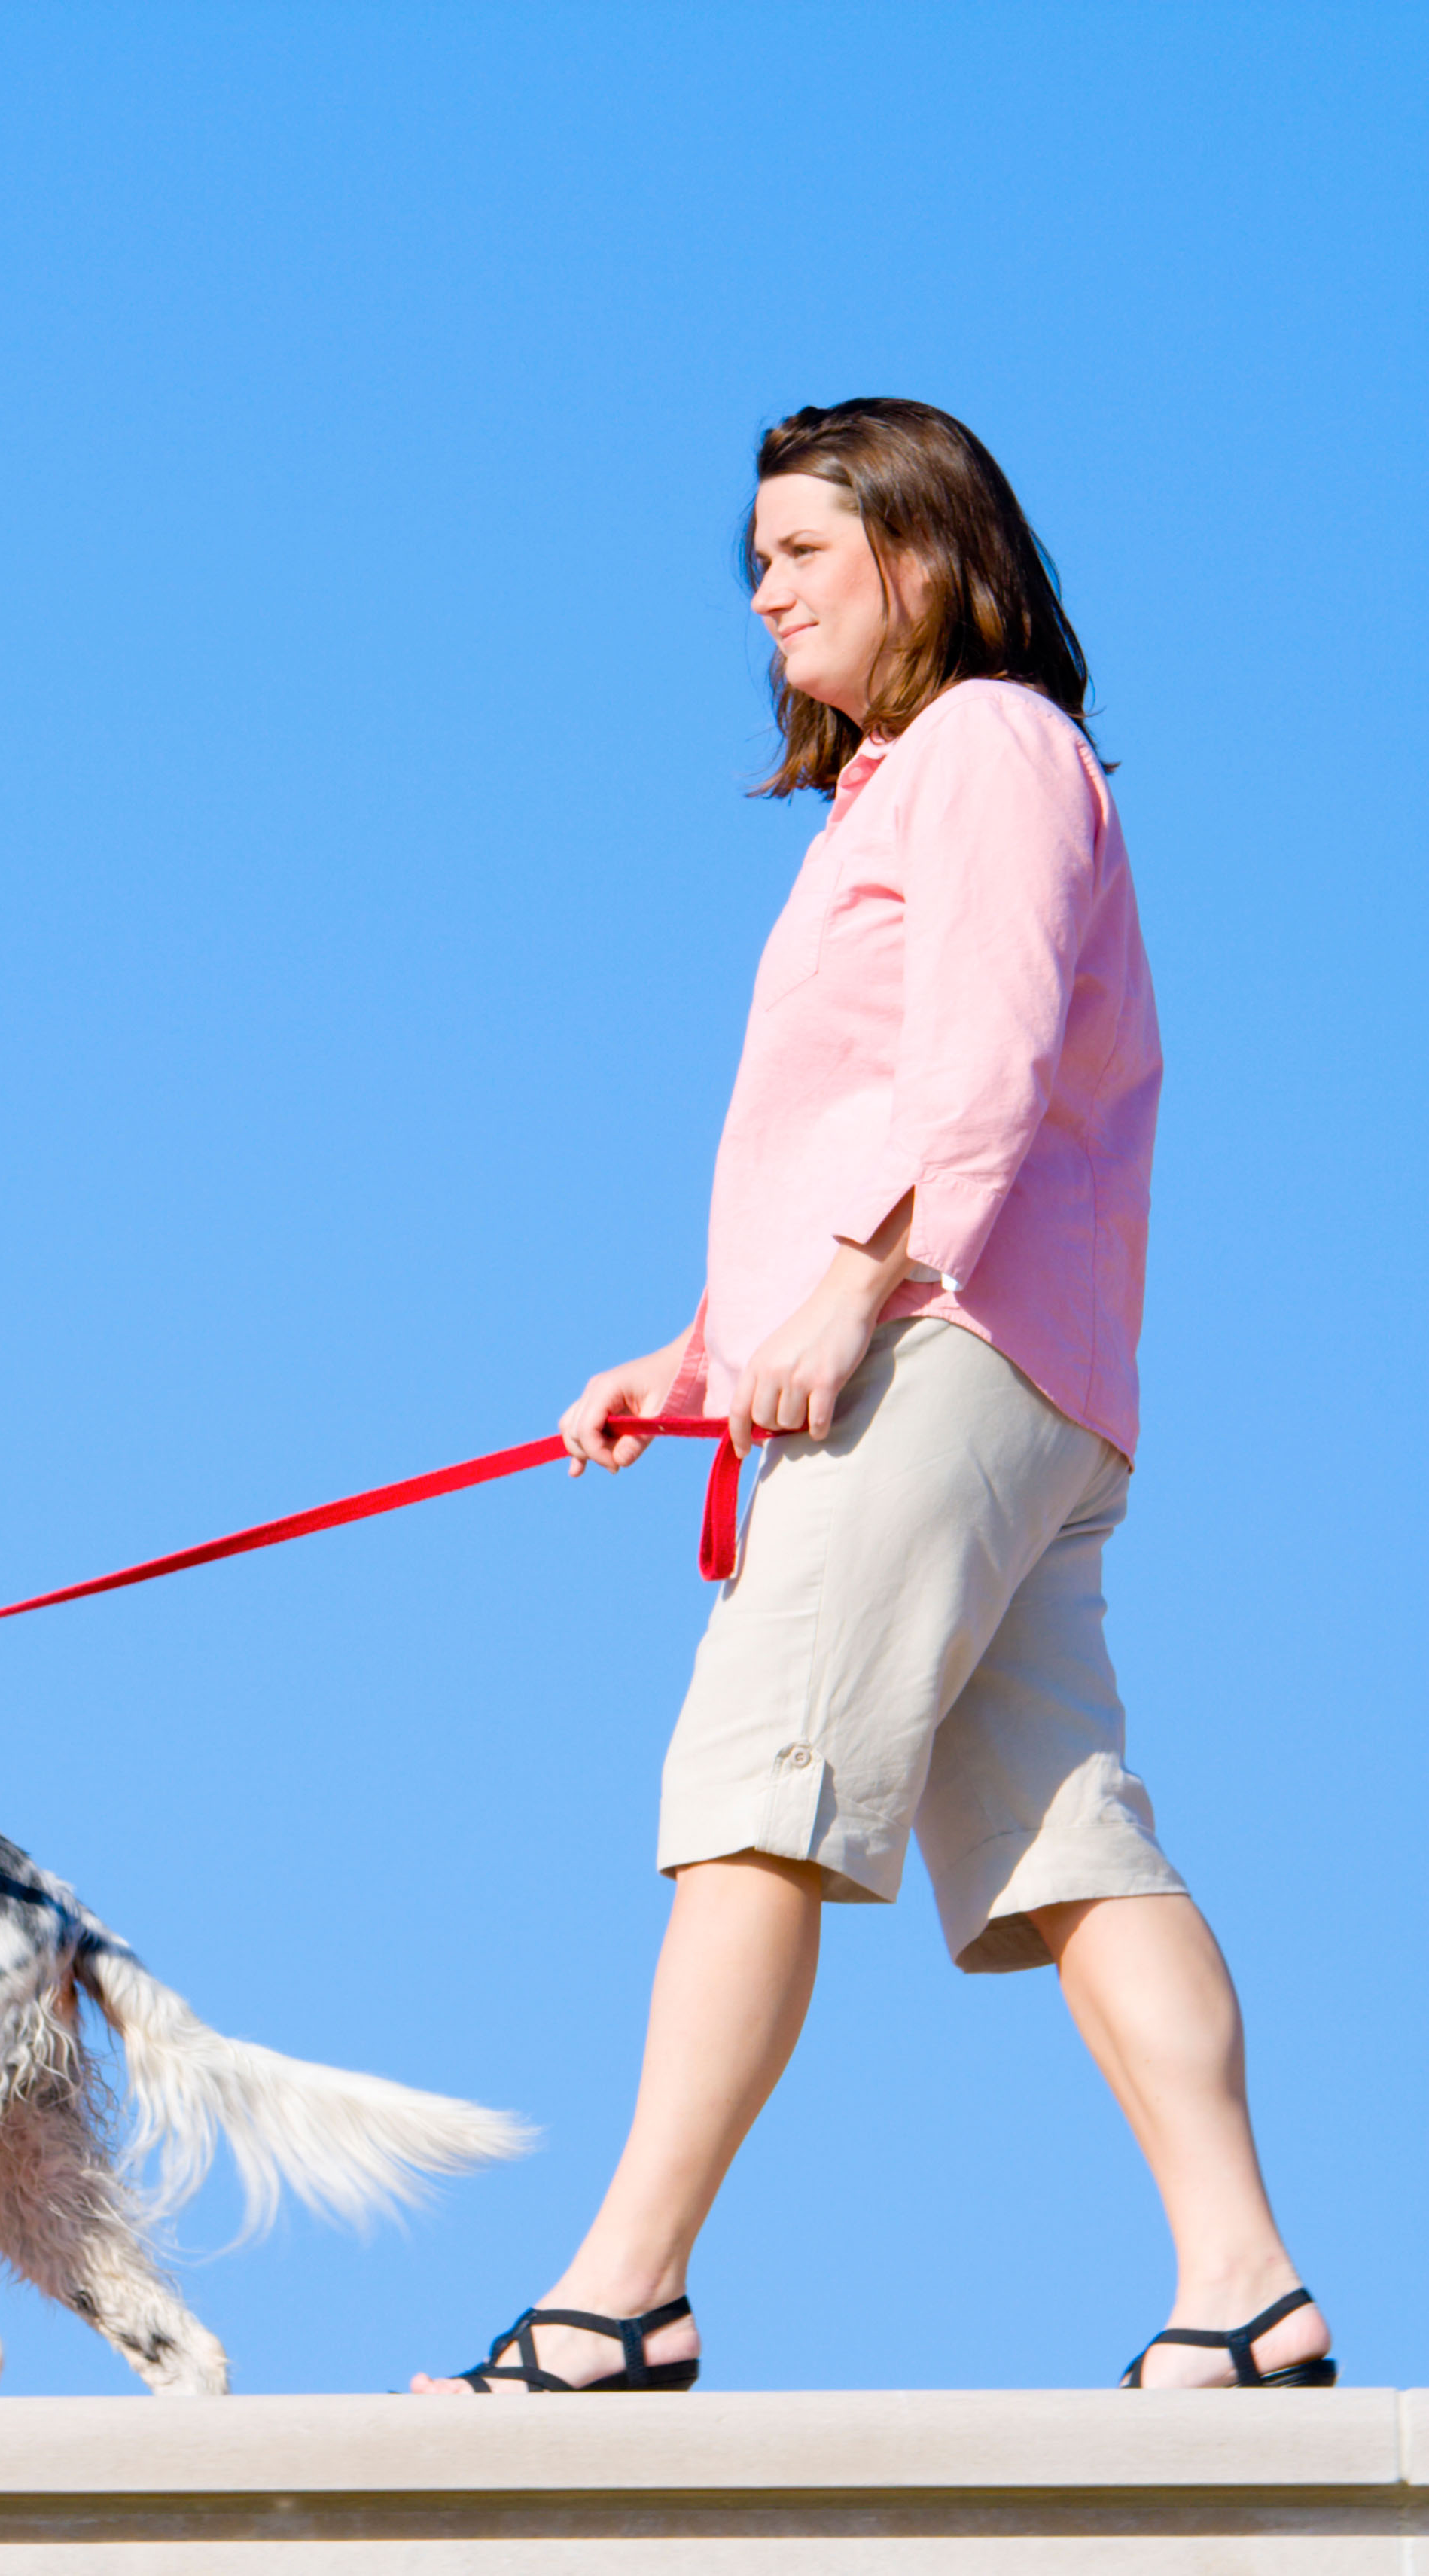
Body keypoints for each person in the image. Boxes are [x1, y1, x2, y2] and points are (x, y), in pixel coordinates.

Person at [413, 400, 1330, 2397]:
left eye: (799, 551)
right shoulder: (905, 786)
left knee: (750, 1801)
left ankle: (621, 2298)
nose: (759, 590)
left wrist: (847, 1293)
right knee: (1063, 1840)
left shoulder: (984, 749)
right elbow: (876, 1114)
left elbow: (980, 1074)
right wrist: (698, 1342)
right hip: (1009, 1364)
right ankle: (1246, 2294)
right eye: (753, 561)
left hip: (940, 1354)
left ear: (920, 555)